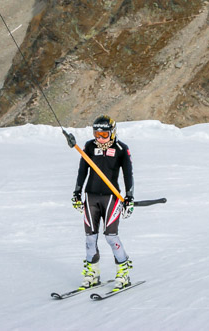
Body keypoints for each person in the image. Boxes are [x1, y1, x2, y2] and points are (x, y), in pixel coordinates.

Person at [72, 115, 135, 289]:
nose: (99, 138)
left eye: (104, 135)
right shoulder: (89, 147)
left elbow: (128, 174)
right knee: (90, 238)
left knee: (111, 236)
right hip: (90, 197)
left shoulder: (121, 148)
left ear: (112, 133)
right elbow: (82, 171)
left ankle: (123, 271)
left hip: (111, 198)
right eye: (96, 133)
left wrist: (129, 197)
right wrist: (77, 193)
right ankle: (93, 273)